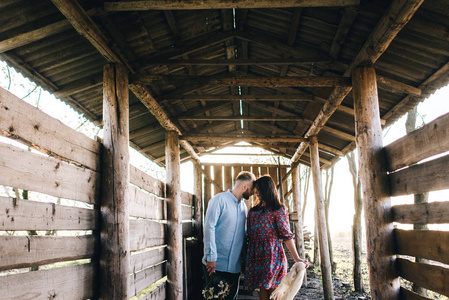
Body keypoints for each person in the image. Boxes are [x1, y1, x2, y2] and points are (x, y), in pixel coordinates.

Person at [243, 175, 310, 300]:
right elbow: (249, 236)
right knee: (262, 290)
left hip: (272, 257)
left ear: (266, 190)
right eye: (256, 190)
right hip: (256, 256)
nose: (256, 193)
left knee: (275, 294)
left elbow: (286, 235)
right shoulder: (253, 211)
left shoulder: (278, 209)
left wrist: (297, 258)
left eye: (259, 190)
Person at [202, 171, 257, 300]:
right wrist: (211, 256)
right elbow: (209, 227)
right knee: (213, 298)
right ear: (244, 186)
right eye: (251, 189)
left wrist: (243, 261)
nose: (253, 192)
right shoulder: (219, 200)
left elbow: (243, 236)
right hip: (215, 264)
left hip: (234, 267)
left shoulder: (243, 207)